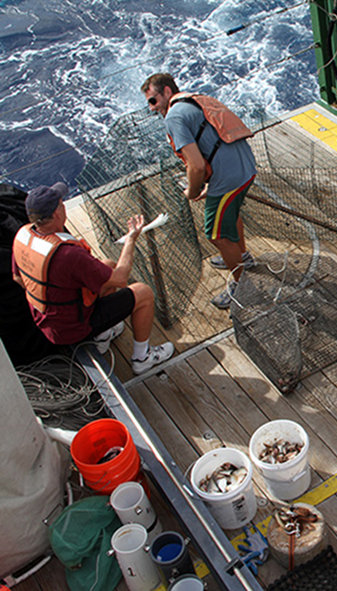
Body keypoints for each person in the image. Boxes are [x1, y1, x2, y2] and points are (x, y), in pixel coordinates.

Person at [11, 182, 174, 374]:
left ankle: (103, 335)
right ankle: (142, 357)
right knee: (143, 293)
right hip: (72, 328)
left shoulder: (23, 235)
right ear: (57, 213)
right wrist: (131, 239)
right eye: (62, 203)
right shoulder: (68, 255)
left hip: (47, 319)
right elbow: (121, 279)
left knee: (107, 265)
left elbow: (18, 279)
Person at [141, 73, 257, 309]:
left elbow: (196, 165)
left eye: (154, 101)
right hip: (247, 168)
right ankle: (241, 256)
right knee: (230, 215)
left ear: (166, 92)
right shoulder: (194, 101)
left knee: (216, 235)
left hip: (229, 179)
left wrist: (193, 192)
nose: (153, 108)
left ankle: (244, 286)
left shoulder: (173, 117)